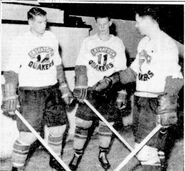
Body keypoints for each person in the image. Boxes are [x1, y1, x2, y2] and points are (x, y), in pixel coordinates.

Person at [93, 6, 183, 171]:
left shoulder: (166, 43)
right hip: (140, 100)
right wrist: (110, 80)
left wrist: (168, 106)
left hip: (156, 102)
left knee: (145, 152)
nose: (136, 25)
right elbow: (132, 72)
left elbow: (176, 77)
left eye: (138, 21)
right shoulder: (143, 42)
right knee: (151, 150)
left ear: (149, 20)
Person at [1, 7, 73, 171]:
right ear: (30, 22)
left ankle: (55, 160)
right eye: (39, 22)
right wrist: (10, 95)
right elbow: (11, 70)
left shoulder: (51, 38)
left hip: (52, 89)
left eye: (45, 21)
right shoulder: (21, 41)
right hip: (31, 92)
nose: (43, 25)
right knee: (29, 135)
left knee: (59, 127)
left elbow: (58, 65)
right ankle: (16, 167)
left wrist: (64, 88)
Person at [68, 14, 127, 171]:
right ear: (96, 23)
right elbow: (80, 64)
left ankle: (102, 154)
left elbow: (122, 71)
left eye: (104, 24)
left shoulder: (117, 43)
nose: (102, 27)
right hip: (91, 89)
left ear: (110, 22)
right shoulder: (88, 42)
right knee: (83, 123)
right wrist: (80, 85)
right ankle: (77, 154)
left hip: (110, 90)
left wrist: (122, 92)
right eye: (99, 24)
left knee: (106, 125)